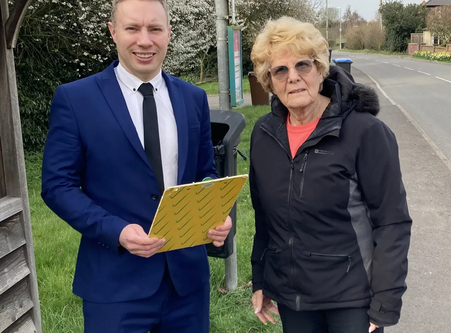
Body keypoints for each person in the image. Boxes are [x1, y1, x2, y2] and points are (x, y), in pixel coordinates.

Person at [41, 0, 232, 332]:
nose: (145, 41)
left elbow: (205, 171)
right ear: (113, 32)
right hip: (114, 282)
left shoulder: (193, 98)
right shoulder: (76, 99)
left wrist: (213, 211)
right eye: (133, 28)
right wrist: (116, 231)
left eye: (155, 29)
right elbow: (58, 186)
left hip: (186, 284)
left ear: (168, 34)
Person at [249, 17, 412, 333]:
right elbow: (264, 218)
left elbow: (392, 222)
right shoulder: (264, 134)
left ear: (321, 68)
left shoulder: (365, 132)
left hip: (351, 301)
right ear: (269, 80)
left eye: (303, 65)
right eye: (280, 70)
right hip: (294, 300)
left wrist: (385, 304)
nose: (293, 77)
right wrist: (262, 280)